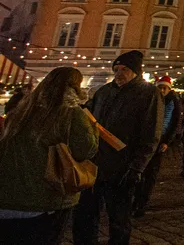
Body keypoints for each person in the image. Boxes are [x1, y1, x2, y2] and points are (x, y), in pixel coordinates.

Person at [0, 67, 98, 245]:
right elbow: (86, 149)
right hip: (45, 200)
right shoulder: (71, 113)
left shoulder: (22, 110)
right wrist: (93, 125)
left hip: (7, 198)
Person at [73, 51, 162, 245]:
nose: (119, 73)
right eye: (117, 69)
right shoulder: (104, 91)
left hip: (122, 166)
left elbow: (150, 134)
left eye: (125, 69)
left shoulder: (148, 93)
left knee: (119, 219)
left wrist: (136, 167)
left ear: (136, 72)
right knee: (85, 215)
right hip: (93, 164)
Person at [133, 75, 181, 217]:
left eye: (164, 87)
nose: (162, 90)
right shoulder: (152, 99)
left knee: (151, 173)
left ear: (169, 88)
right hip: (147, 138)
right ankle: (136, 199)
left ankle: (142, 202)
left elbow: (174, 122)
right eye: (160, 87)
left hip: (160, 140)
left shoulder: (173, 101)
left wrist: (167, 141)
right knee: (141, 169)